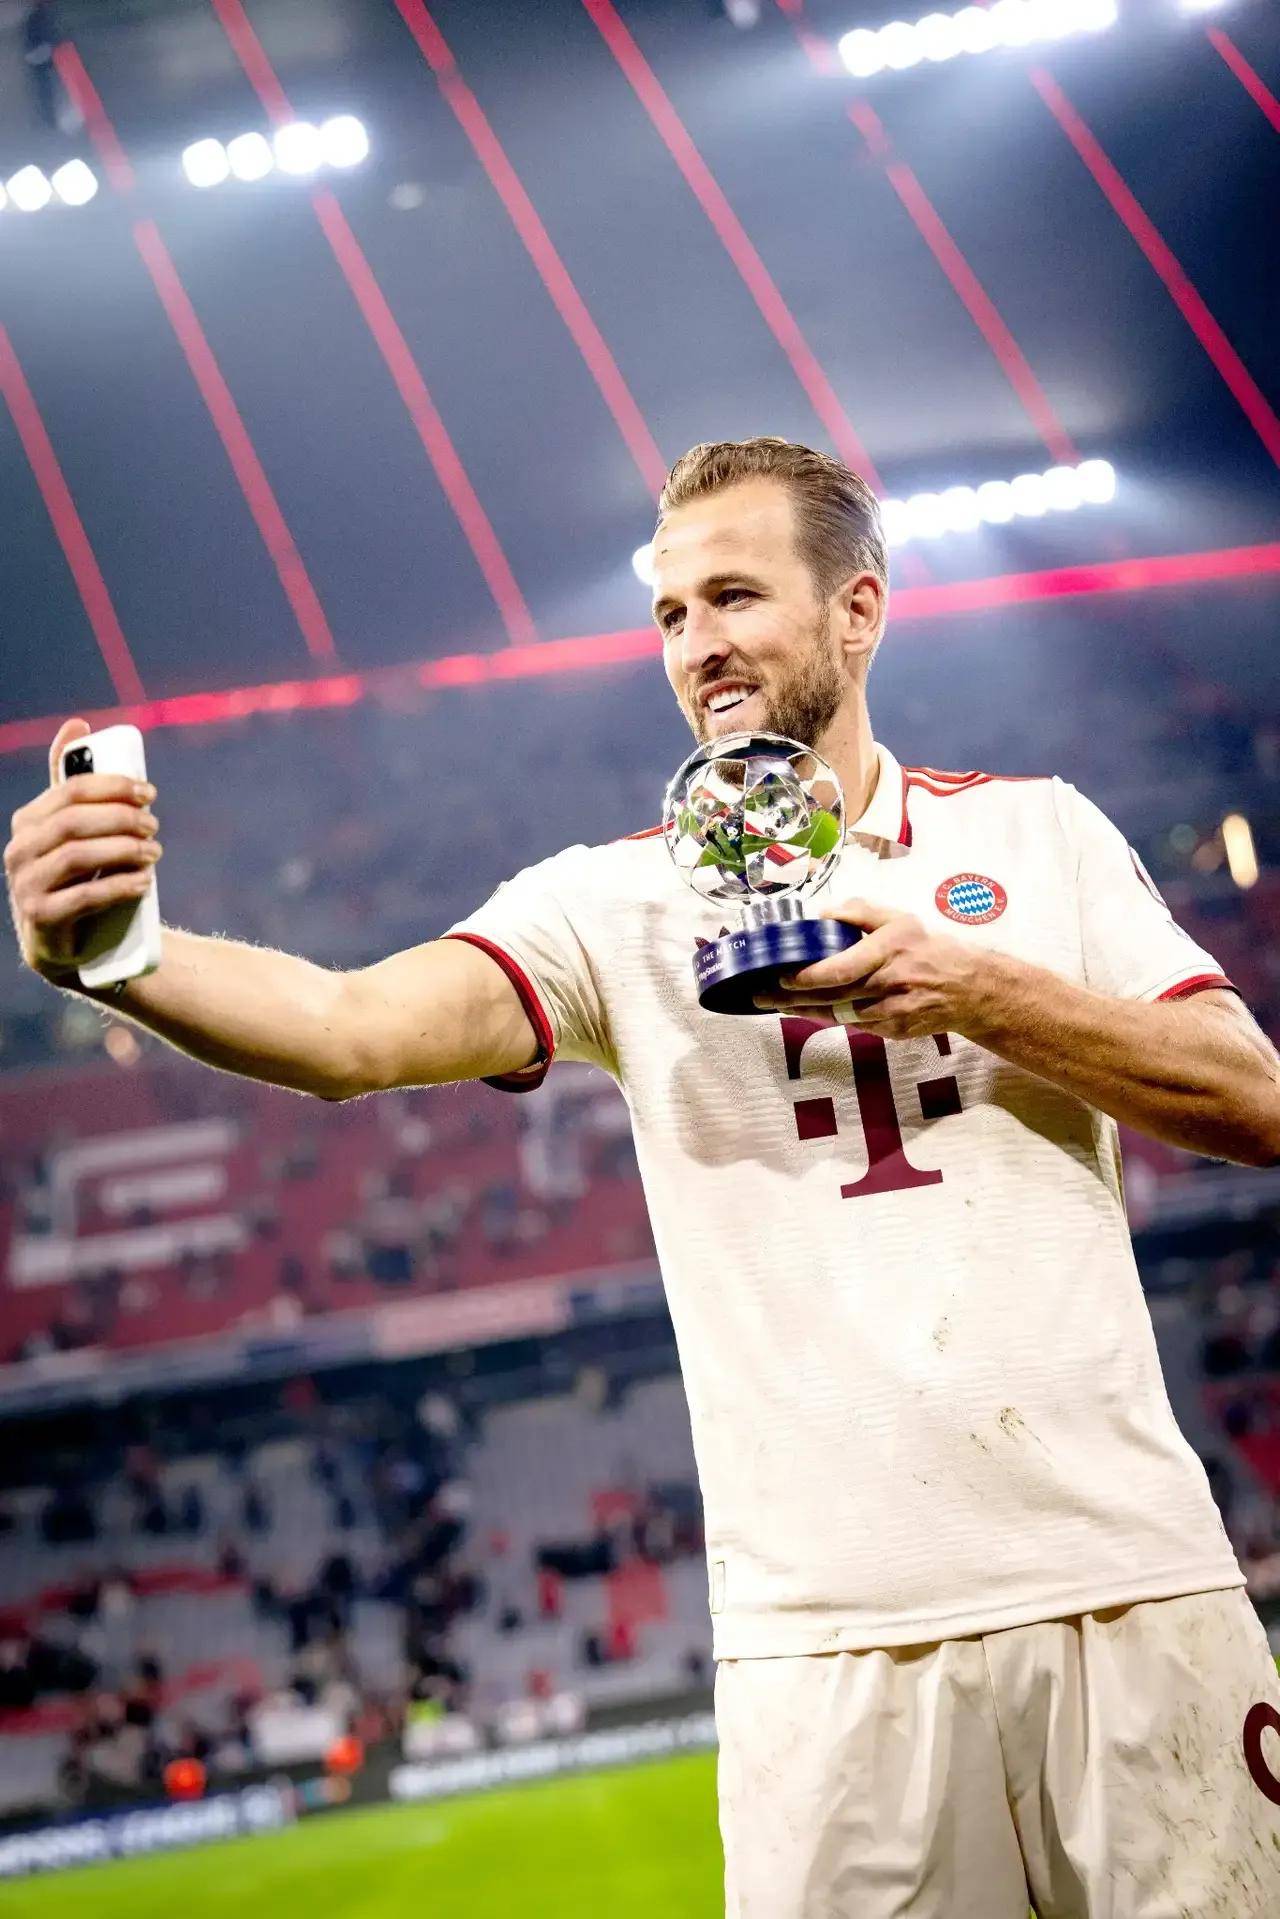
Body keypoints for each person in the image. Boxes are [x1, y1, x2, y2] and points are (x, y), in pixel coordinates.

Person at [7, 435, 1280, 1916]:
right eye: (671, 615)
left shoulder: (1036, 832)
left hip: (1132, 1593)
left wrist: (973, 987)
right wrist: (126, 960)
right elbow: (350, 1030)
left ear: (858, 610)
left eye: (734, 597)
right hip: (822, 1658)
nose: (696, 645)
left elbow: (1253, 1100)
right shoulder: (610, 902)